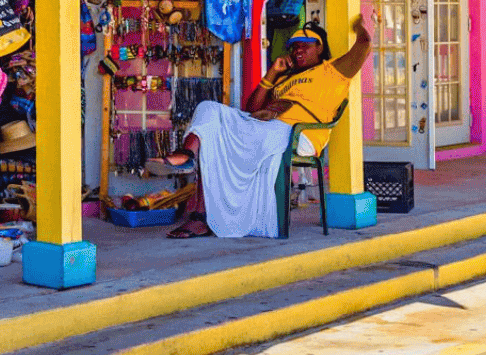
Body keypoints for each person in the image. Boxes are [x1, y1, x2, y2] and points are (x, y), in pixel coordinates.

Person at [152, 16, 372, 239]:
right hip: (269, 130)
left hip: (299, 135)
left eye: (304, 46)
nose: (297, 51)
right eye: (294, 47)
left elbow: (364, 44)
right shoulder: (284, 80)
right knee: (208, 109)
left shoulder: (332, 72)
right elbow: (252, 108)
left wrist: (357, 26)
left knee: (230, 139)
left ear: (320, 48)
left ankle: (201, 218)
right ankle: (187, 153)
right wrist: (273, 73)